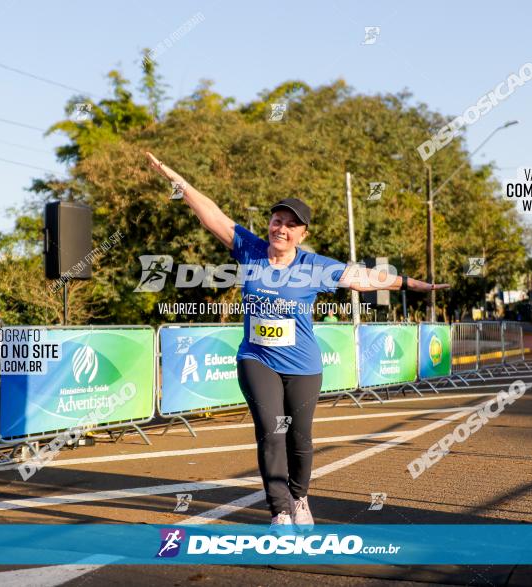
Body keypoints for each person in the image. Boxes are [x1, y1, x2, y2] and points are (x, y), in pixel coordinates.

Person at [146, 152, 449, 532]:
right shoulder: (250, 250)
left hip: (304, 366)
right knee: (271, 432)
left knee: (300, 440)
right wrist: (177, 179)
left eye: (291, 225)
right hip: (256, 359)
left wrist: (412, 284)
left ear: (302, 234)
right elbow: (213, 215)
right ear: (269, 224)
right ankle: (280, 510)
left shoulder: (315, 266)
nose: (282, 229)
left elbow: (366, 278)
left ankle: (300, 496)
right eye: (277, 221)